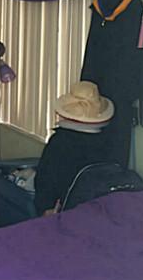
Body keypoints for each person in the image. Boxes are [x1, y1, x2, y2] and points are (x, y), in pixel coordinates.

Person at [33, 81, 114, 215]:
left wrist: (45, 209)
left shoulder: (60, 142)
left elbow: (45, 182)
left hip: (63, 212)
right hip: (96, 211)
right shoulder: (107, 141)